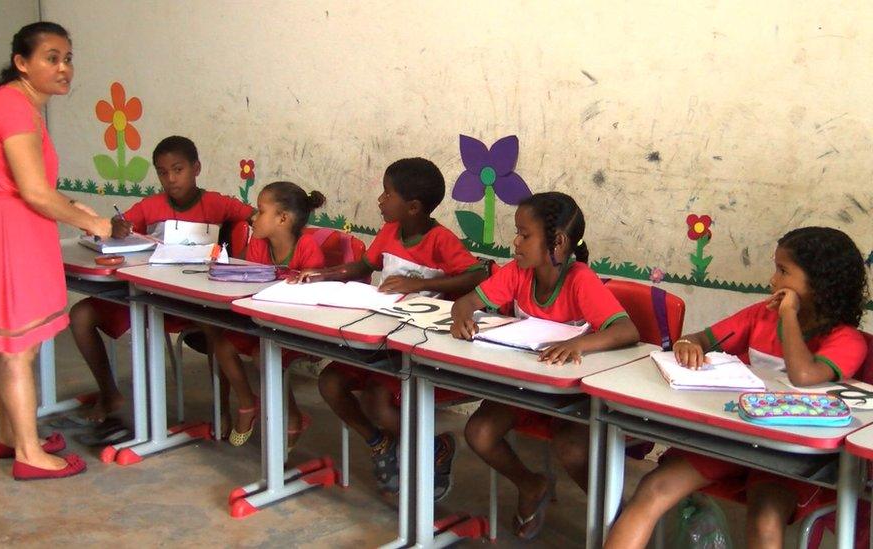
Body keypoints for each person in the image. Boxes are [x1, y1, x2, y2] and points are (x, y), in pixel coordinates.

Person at [605, 226, 869, 549]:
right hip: (734, 440)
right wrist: (688, 345)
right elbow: (699, 337)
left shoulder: (847, 340)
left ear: (820, 283)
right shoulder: (760, 316)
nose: (773, 281)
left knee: (765, 519)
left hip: (790, 461)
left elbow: (802, 374)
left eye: (783, 271)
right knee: (653, 488)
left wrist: (788, 315)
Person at [0, 22, 112, 480]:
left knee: (10, 346)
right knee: (16, 350)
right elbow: (33, 193)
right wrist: (91, 222)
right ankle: (29, 453)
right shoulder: (14, 107)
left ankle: (12, 435)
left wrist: (70, 204)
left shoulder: (18, 103)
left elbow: (34, 188)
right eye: (51, 57)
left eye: (67, 57)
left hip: (11, 228)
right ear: (22, 63)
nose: (63, 68)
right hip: (7, 234)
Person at [449, 191, 640, 538]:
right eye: (517, 232)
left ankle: (618, 518)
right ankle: (531, 484)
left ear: (559, 241)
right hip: (524, 389)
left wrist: (577, 343)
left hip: (573, 400)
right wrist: (461, 317)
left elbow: (627, 330)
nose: (516, 241)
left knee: (570, 448)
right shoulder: (518, 273)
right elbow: (467, 301)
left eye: (525, 234)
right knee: (479, 431)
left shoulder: (580, 279)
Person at [297, 157, 488, 500]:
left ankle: (435, 447)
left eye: (388, 194)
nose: (381, 201)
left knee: (378, 400)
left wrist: (418, 286)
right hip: (377, 332)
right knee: (330, 381)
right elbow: (363, 266)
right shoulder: (389, 232)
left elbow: (477, 275)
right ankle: (380, 442)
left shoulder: (439, 240)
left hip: (415, 342)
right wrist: (323, 274)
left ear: (413, 207)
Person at [69, 135, 253, 436]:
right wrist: (117, 226)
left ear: (196, 168)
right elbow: (118, 227)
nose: (170, 179)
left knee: (213, 327)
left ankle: (221, 409)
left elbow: (255, 218)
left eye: (178, 170)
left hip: (195, 301)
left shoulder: (217, 203)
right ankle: (109, 392)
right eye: (162, 172)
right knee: (80, 315)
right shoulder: (151, 206)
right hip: (147, 296)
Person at [217, 181, 327, 449]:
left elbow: (316, 297)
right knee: (221, 342)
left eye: (260, 211)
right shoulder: (258, 243)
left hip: (295, 330)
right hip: (260, 323)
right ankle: (246, 403)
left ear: (282, 218)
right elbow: (245, 278)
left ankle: (293, 417)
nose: (253, 218)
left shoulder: (307, 247)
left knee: (262, 355)